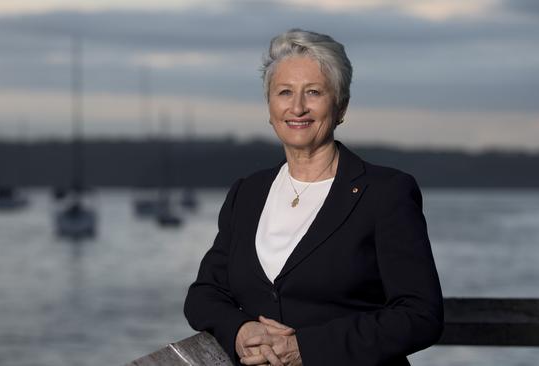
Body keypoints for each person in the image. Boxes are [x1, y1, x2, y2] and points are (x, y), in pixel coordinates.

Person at [184, 28, 443, 366]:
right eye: (285, 92)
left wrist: (307, 347)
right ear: (270, 106)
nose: (298, 107)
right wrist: (240, 330)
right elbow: (204, 295)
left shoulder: (385, 193)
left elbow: (421, 316)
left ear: (341, 107)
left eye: (314, 92)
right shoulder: (248, 193)